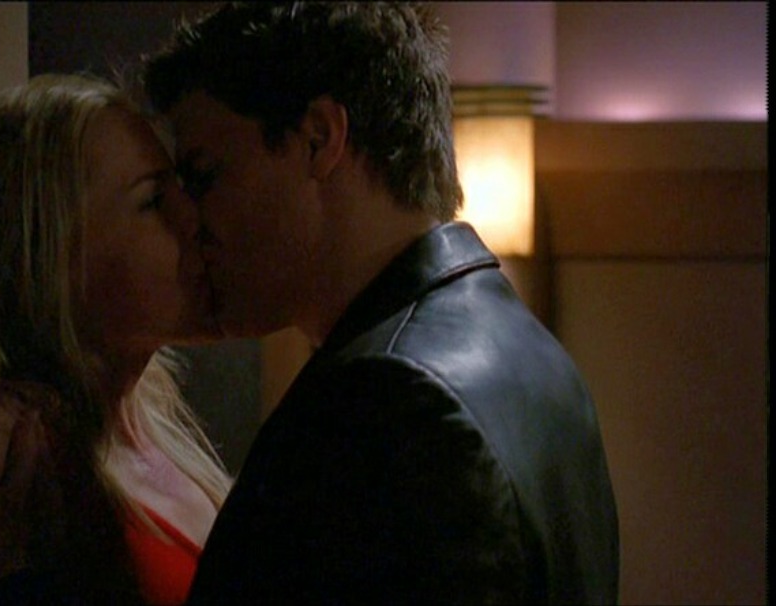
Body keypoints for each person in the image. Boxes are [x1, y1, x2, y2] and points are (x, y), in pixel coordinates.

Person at [137, 1, 620, 604]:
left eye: (205, 174)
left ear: (319, 138)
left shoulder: (390, 402)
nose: (189, 219)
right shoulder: (526, 348)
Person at [0, 72, 232, 605]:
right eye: (152, 200)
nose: (193, 218)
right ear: (45, 255)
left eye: (181, 189)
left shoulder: (141, 415)